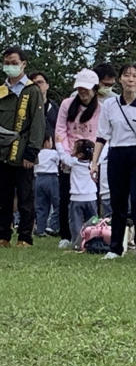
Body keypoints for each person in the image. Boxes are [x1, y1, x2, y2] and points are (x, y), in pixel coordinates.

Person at [91, 64, 136, 260]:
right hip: (116, 153)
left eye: (135, 76)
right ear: (120, 80)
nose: (131, 79)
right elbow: (102, 136)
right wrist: (94, 162)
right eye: (126, 76)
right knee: (117, 203)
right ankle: (115, 248)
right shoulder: (109, 105)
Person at [0, 46, 45, 247]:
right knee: (3, 196)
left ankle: (25, 236)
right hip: (2, 150)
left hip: (24, 149)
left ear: (23, 64)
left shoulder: (32, 90)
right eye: (7, 63)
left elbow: (38, 123)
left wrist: (32, 151)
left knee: (26, 196)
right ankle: (3, 235)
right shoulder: (1, 90)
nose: (10, 67)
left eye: (14, 63)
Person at [54, 68, 101, 248]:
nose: (83, 92)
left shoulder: (100, 108)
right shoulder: (67, 104)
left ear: (94, 89)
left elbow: (101, 134)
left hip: (91, 157)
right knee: (66, 195)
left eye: (86, 89)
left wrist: (94, 158)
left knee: (90, 196)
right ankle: (66, 235)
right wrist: (65, 155)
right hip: (70, 154)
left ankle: (92, 233)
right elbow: (60, 130)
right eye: (80, 88)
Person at [61, 139, 98, 241]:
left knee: (75, 223)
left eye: (74, 148)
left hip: (76, 198)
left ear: (80, 154)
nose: (72, 150)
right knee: (93, 223)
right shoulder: (93, 164)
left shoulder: (73, 162)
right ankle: (93, 241)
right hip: (91, 197)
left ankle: (77, 243)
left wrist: (59, 143)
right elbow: (103, 155)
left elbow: (63, 156)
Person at [33, 136, 60, 237]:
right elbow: (58, 161)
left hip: (38, 178)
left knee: (41, 206)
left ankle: (40, 229)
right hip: (51, 177)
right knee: (57, 203)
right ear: (47, 142)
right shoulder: (53, 153)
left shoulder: (37, 153)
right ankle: (53, 226)